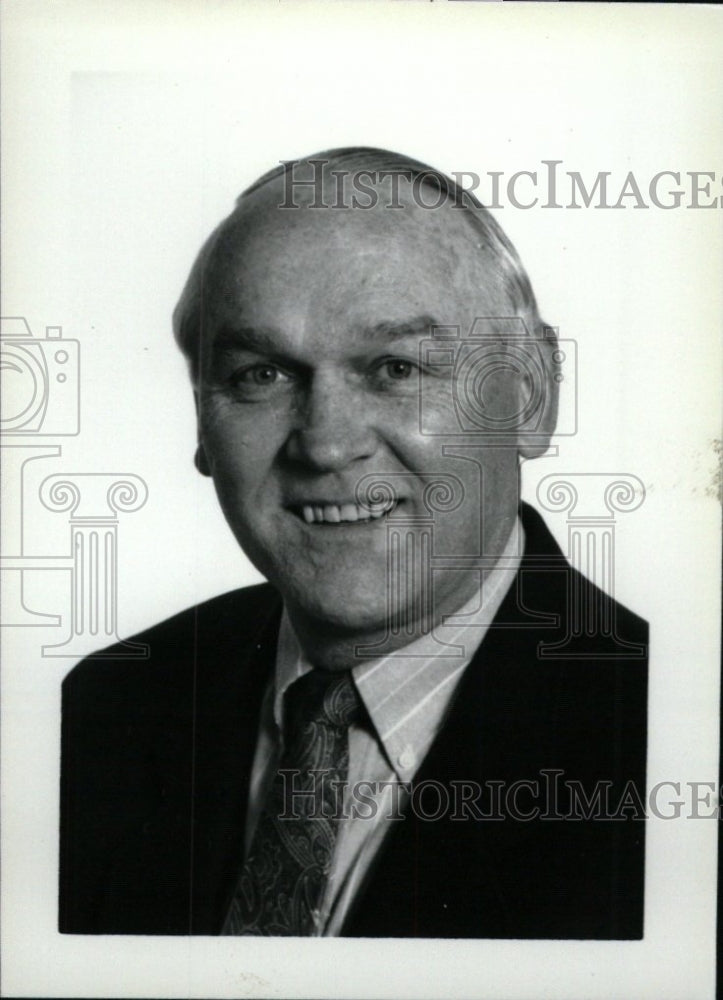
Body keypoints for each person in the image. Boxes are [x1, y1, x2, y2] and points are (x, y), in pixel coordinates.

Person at [59, 148, 648, 938]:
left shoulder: (663, 732)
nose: (326, 444)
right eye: (260, 375)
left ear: (532, 395)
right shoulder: (104, 711)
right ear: (202, 418)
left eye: (395, 367)